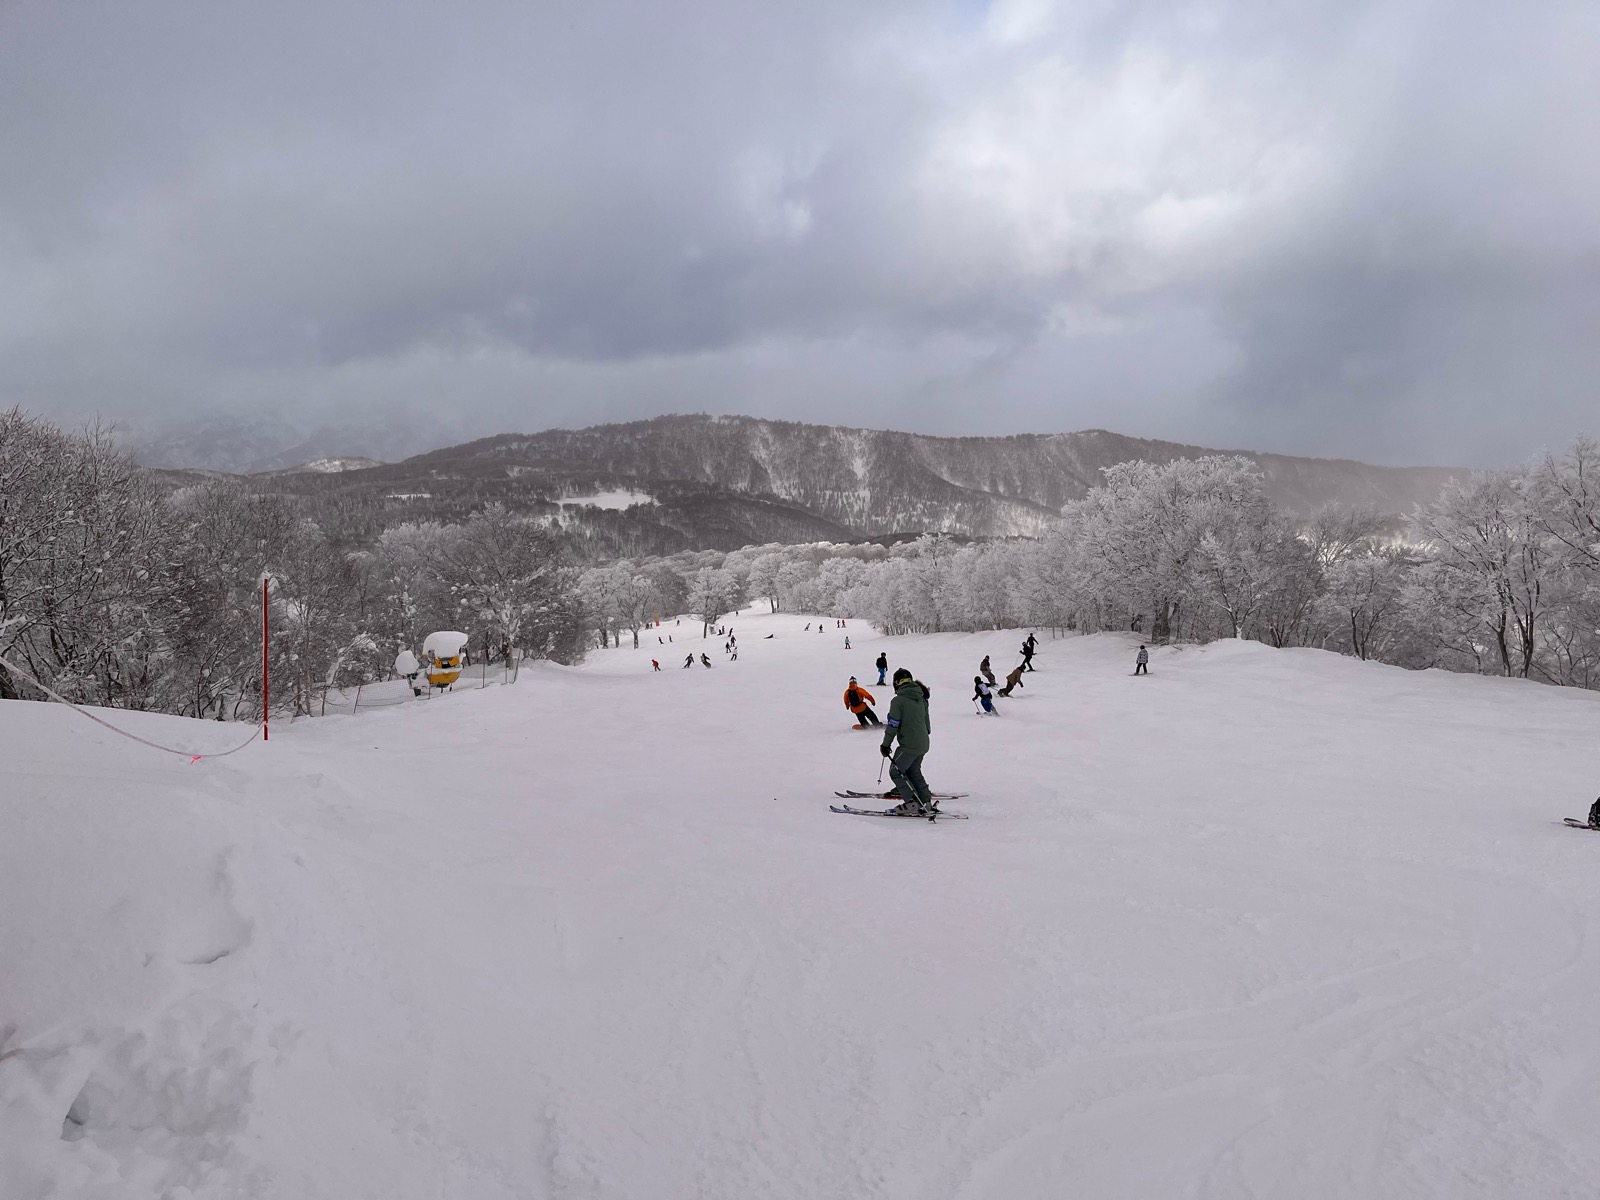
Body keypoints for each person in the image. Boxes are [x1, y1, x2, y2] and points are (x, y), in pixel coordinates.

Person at [880, 667, 935, 816]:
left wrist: (885, 745)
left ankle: (911, 804)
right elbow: (927, 723)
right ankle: (926, 802)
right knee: (913, 771)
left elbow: (893, 726)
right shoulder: (921, 698)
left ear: (896, 684)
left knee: (895, 771)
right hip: (923, 743)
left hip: (909, 745)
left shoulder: (898, 701)